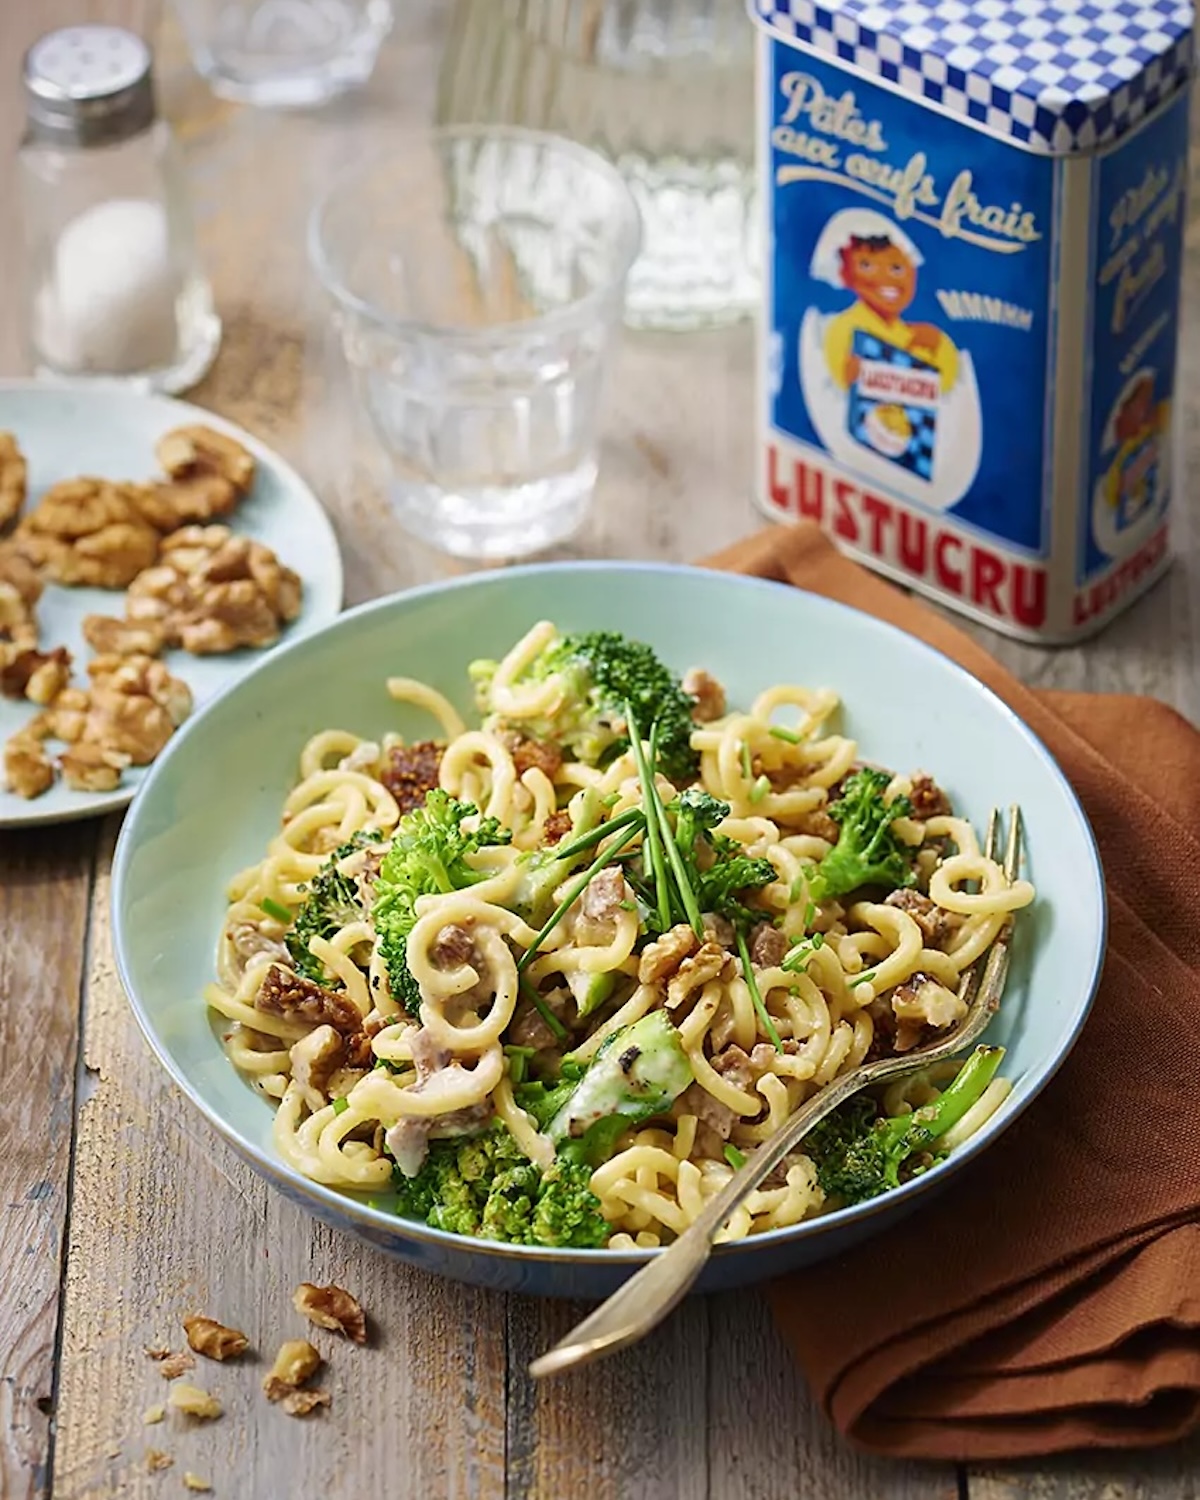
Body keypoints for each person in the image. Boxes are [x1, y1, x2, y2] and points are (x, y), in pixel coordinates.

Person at [822, 232, 959, 393]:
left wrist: (939, 346)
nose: (884, 277)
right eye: (867, 266)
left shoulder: (919, 336)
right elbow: (844, 385)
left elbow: (944, 391)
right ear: (847, 274)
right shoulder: (844, 328)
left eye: (896, 268)